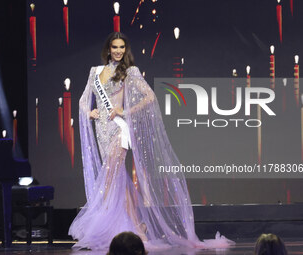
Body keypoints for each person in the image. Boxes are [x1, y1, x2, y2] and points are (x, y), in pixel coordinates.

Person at [69, 32, 234, 250]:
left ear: (125, 50)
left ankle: (98, 221)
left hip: (119, 130)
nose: (118, 51)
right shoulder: (95, 72)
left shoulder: (130, 72)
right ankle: (138, 227)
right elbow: (83, 99)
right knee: (118, 180)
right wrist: (89, 112)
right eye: (114, 47)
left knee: (109, 178)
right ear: (108, 49)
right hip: (102, 131)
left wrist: (124, 110)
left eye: (122, 47)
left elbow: (150, 97)